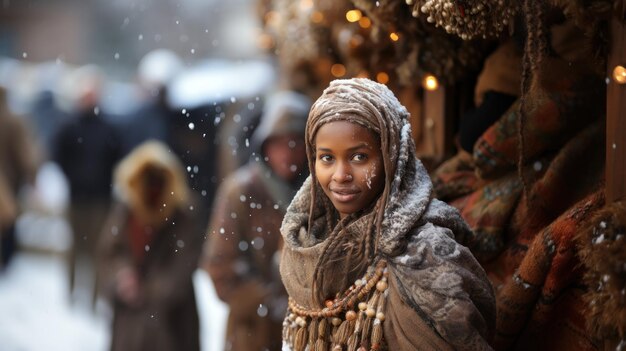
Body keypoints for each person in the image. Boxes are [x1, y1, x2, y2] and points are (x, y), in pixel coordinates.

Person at [280, 78, 496, 350]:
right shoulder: (306, 240)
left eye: (359, 157)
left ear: (393, 157)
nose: (340, 175)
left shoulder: (428, 253)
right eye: (327, 158)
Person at [200, 90, 311, 351]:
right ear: (265, 146)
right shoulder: (240, 192)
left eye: (295, 143)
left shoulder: (319, 192)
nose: (287, 153)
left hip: (308, 335)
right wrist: (269, 302)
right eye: (278, 144)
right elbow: (219, 266)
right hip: (252, 334)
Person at [97, 140, 204, 351]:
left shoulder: (182, 216)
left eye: (158, 180)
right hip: (129, 322)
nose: (153, 187)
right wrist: (122, 277)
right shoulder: (126, 212)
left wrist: (148, 290)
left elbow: (183, 265)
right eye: (148, 180)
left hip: (172, 321)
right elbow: (109, 252)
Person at [52, 65, 123, 308]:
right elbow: (58, 156)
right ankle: (71, 293)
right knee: (74, 248)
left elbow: (117, 158)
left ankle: (95, 297)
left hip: (101, 199)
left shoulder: (108, 127)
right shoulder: (69, 127)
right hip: (76, 197)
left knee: (98, 250)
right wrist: (73, 178)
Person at [0, 87, 40, 270]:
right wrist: (31, 178)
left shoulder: (13, 120)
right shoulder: (13, 120)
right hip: (9, 184)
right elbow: (26, 154)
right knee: (8, 223)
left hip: (7, 183)